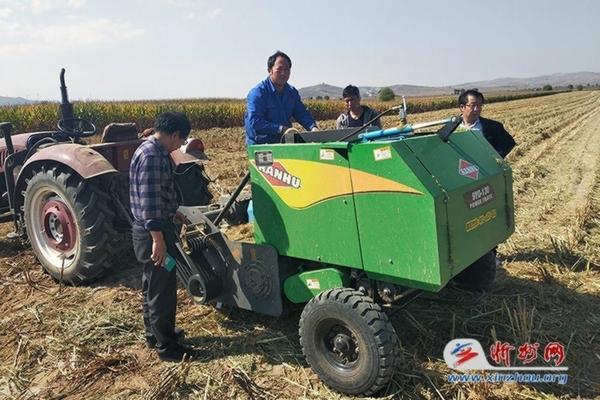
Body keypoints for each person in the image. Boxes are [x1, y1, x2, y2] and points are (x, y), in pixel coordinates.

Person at [129, 111, 191, 362]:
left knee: (151, 287)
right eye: (181, 140)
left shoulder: (148, 150)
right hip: (153, 233)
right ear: (174, 134)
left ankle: (154, 335)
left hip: (150, 229)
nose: (180, 146)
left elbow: (157, 196)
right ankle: (168, 348)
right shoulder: (153, 156)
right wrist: (159, 240)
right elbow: (150, 204)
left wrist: (175, 212)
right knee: (162, 291)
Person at [245, 51, 318, 145]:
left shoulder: (291, 92)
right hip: (261, 144)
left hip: (284, 142)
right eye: (279, 69)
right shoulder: (258, 93)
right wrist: (281, 129)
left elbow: (301, 113)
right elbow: (255, 121)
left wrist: (312, 127)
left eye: (287, 69)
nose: (283, 73)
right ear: (270, 70)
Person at [458, 89, 516, 158]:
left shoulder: (493, 126)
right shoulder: (450, 128)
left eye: (480, 105)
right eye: (473, 105)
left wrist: (494, 158)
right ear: (462, 107)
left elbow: (508, 143)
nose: (477, 109)